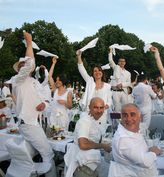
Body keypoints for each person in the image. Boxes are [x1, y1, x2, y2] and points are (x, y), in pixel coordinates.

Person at [11, 31, 56, 176]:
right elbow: (30, 64)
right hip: (28, 123)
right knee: (49, 154)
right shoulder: (17, 80)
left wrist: (44, 104)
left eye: (24, 64)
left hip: (37, 122)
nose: (23, 67)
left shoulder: (35, 82)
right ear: (19, 69)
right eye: (21, 66)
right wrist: (29, 43)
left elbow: (47, 97)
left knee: (35, 152)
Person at [109, 103, 164, 177]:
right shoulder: (123, 139)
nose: (129, 119)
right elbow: (145, 162)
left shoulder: (129, 131)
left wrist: (149, 150)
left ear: (139, 117)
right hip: (138, 173)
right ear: (121, 117)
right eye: (125, 115)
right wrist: (153, 152)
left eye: (132, 114)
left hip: (142, 171)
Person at [64, 97, 111, 177]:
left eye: (101, 108)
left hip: (88, 159)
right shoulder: (85, 121)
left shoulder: (93, 119)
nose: (99, 111)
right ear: (89, 107)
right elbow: (83, 144)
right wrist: (103, 146)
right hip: (82, 163)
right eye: (95, 107)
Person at [76, 50, 112, 117]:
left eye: (99, 70)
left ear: (102, 73)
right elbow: (81, 69)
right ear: (92, 73)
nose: (97, 72)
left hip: (101, 114)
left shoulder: (107, 86)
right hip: (89, 113)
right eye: (95, 71)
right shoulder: (90, 81)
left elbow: (109, 100)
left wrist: (105, 107)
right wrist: (79, 56)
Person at [48, 56, 72, 130]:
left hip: (62, 118)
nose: (57, 81)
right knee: (53, 136)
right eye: (56, 80)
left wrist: (64, 102)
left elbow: (70, 106)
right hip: (53, 116)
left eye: (59, 80)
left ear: (63, 81)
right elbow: (49, 76)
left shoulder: (68, 92)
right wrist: (53, 63)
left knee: (62, 137)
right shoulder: (55, 90)